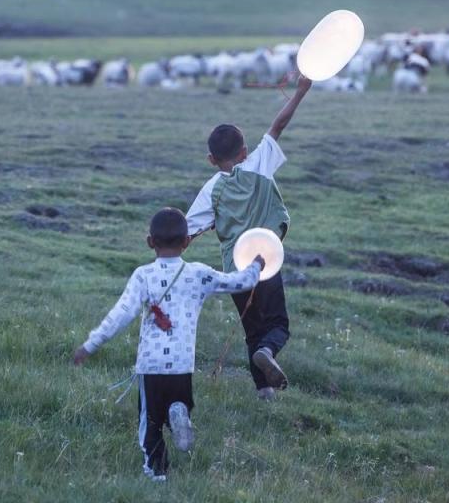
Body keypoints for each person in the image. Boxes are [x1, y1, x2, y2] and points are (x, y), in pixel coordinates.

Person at [72, 207, 264, 482]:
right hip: (182, 364)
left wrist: (90, 345)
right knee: (177, 402)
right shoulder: (198, 273)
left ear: (150, 242)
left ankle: (157, 472)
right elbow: (237, 282)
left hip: (151, 365)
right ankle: (180, 412)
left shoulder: (143, 275)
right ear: (186, 242)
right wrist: (256, 265)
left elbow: (121, 314)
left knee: (150, 423)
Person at [186, 72, 312, 400]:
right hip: (265, 262)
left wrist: (160, 242)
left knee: (251, 330)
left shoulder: (210, 189)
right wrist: (299, 92)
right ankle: (269, 351)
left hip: (234, 271)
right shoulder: (257, 165)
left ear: (211, 160)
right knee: (277, 324)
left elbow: (185, 233)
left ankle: (264, 393)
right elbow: (278, 126)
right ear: (244, 151)